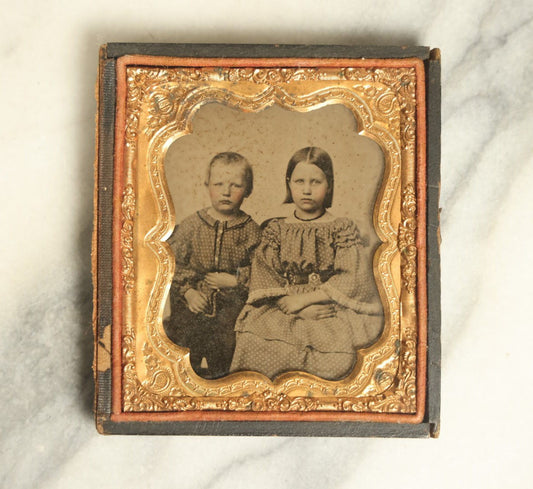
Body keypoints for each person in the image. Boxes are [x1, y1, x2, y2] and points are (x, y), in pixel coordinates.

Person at [230, 147, 383, 380]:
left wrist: (305, 301)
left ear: (329, 185)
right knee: (256, 337)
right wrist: (289, 303)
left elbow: (350, 277)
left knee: (338, 350)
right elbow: (265, 274)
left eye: (316, 182)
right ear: (289, 184)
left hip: (327, 304)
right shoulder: (276, 229)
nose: (307, 190)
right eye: (299, 181)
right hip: (283, 303)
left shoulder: (341, 228)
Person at [164, 152, 261, 379]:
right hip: (190, 309)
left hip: (230, 314)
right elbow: (171, 263)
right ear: (207, 185)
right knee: (185, 363)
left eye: (235, 185)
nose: (226, 192)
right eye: (218, 184)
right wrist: (188, 292)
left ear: (248, 190)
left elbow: (263, 269)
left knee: (224, 365)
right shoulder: (191, 226)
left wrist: (237, 280)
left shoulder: (251, 231)